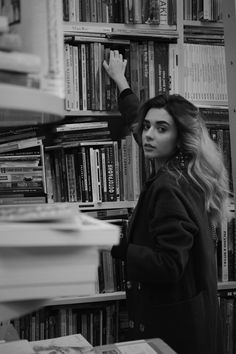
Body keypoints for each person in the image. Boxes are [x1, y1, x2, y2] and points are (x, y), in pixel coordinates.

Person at [103, 50, 231, 354]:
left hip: (174, 333)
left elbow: (169, 265)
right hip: (191, 320)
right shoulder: (186, 167)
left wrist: (109, 239)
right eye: (147, 126)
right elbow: (140, 120)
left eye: (161, 129)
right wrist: (121, 82)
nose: (148, 135)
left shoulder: (169, 186)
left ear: (180, 137)